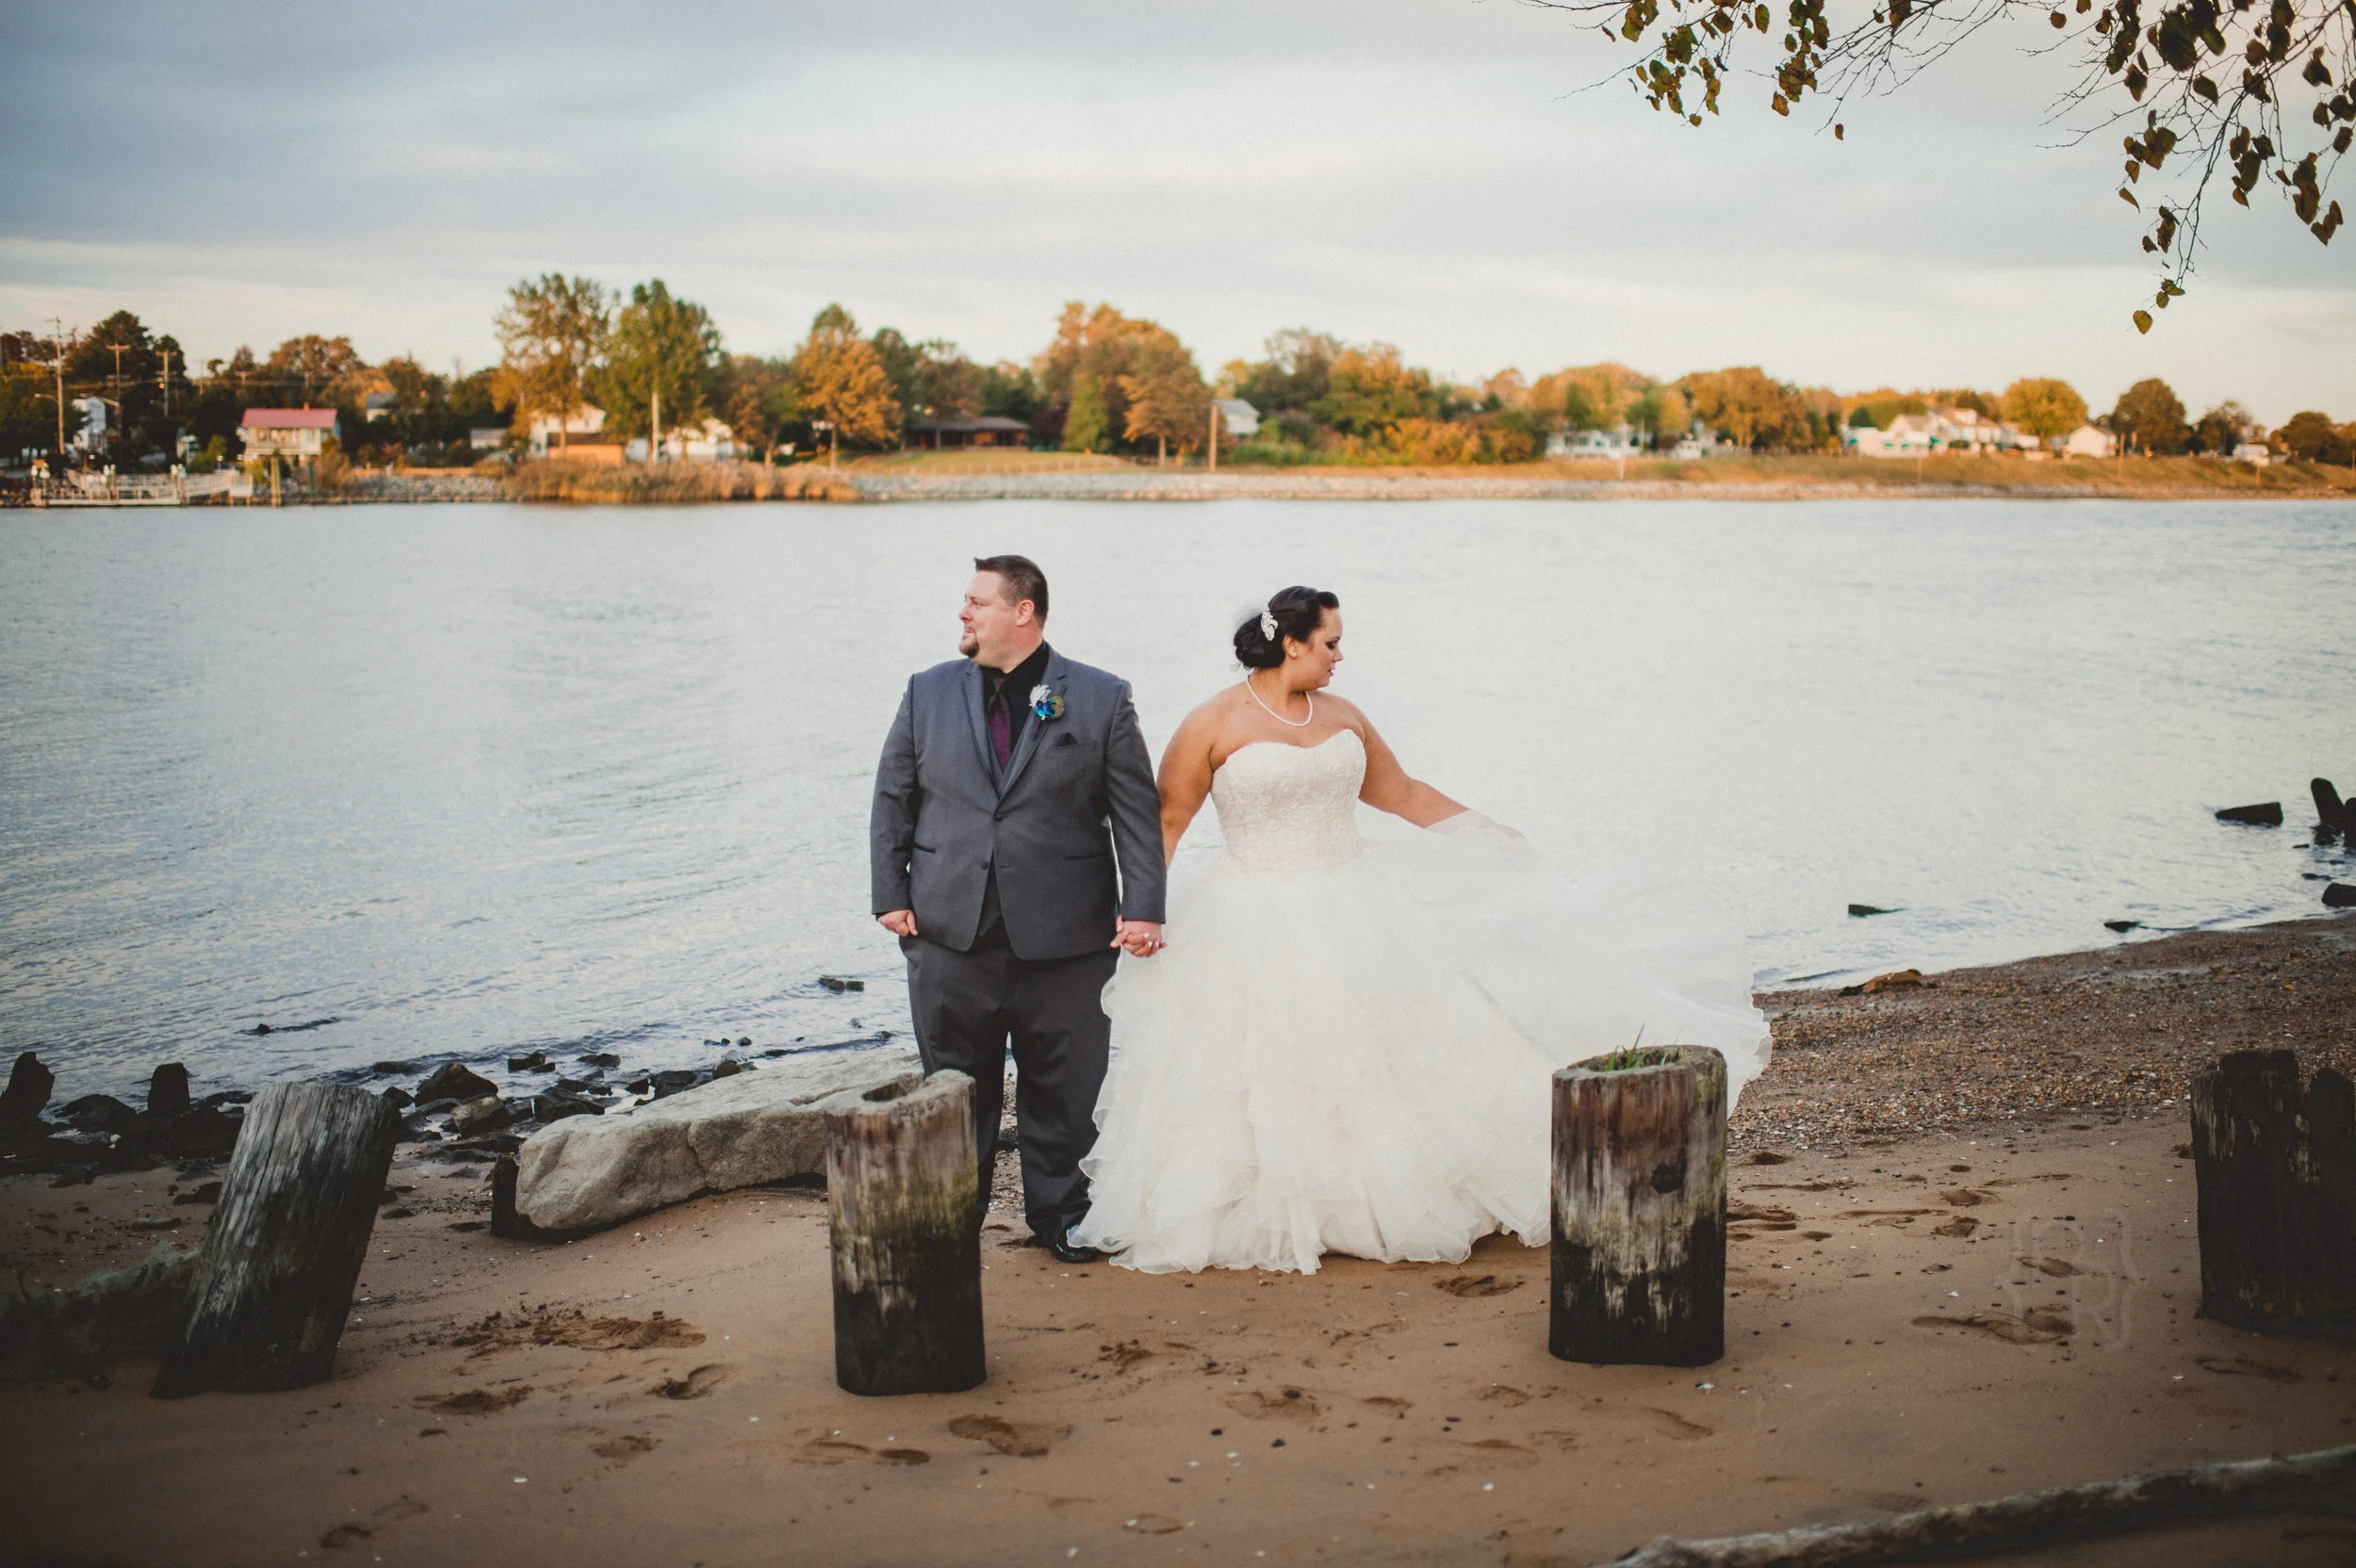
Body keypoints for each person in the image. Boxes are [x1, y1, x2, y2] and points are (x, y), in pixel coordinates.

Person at [1069, 585, 1771, 1274]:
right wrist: (1141, 911)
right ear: (1291, 643)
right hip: (1249, 911)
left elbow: (1399, 794)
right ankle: (1266, 1207)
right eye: (1331, 642)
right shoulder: (1210, 722)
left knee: (1381, 1058)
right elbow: (1167, 821)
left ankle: (1376, 1203)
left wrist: (1482, 828)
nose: (1340, 656)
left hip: (1357, 901)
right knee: (1258, 1068)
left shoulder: (1343, 714)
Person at [870, 556, 1166, 1264]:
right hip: (948, 931)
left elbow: (1135, 814)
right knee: (950, 1093)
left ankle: (1062, 1219)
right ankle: (949, 1226)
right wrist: (890, 893)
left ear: (1022, 611)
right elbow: (892, 797)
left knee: (1064, 1092)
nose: (963, 614)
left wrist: (1144, 907)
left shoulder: (1099, 696)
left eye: (976, 602)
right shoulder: (926, 691)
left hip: (1066, 937)